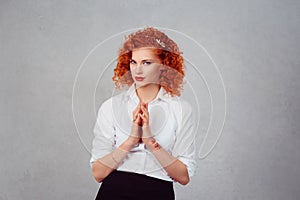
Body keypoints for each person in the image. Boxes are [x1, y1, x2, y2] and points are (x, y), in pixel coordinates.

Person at [90, 27, 196, 200]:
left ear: (163, 66)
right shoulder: (110, 107)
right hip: (114, 192)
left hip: (158, 193)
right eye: (133, 62)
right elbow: (98, 173)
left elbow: (183, 176)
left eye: (147, 63)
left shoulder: (181, 109)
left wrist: (150, 140)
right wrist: (131, 140)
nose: (137, 70)